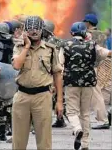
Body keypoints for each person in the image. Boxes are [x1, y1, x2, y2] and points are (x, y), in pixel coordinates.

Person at [11, 15, 63, 150]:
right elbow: (16, 65)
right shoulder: (19, 47)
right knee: (18, 141)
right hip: (22, 96)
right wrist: (27, 46)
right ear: (25, 30)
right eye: (30, 29)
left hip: (43, 96)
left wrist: (59, 101)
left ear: (42, 30)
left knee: (44, 140)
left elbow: (57, 74)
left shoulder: (50, 49)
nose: (33, 32)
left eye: (37, 29)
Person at [60, 22, 112, 150]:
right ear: (85, 33)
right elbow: (107, 53)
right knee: (85, 113)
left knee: (72, 111)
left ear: (72, 33)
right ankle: (85, 144)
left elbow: (59, 65)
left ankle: (77, 129)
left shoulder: (65, 45)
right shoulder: (92, 45)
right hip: (88, 83)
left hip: (71, 83)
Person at [83, 13, 110, 129]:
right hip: (102, 65)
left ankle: (103, 119)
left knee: (95, 92)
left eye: (85, 22)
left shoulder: (87, 35)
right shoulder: (103, 35)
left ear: (88, 23)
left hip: (90, 66)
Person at [42, 19, 67, 128]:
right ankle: (60, 119)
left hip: (53, 71)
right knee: (59, 95)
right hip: (60, 70)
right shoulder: (60, 41)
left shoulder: (48, 42)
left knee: (50, 96)